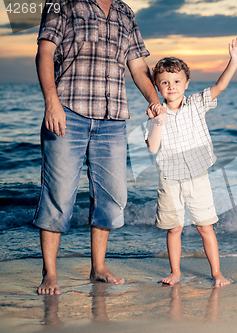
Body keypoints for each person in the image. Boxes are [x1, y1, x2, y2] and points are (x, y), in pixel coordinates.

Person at [34, 0, 165, 295]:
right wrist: (51, 101)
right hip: (68, 111)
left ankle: (99, 268)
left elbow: (138, 65)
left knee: (112, 195)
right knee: (58, 194)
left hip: (113, 118)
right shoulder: (62, 3)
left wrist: (153, 99)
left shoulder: (124, 12)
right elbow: (45, 52)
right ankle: (50, 273)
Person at [144, 38, 237, 287]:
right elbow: (153, 147)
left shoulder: (196, 104)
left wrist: (234, 61)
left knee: (205, 228)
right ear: (157, 86)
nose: (171, 86)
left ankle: (216, 273)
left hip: (198, 177)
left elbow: (220, 85)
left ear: (186, 83)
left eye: (177, 81)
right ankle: (176, 272)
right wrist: (159, 121)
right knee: (174, 229)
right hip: (170, 179)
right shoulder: (155, 114)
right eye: (165, 82)